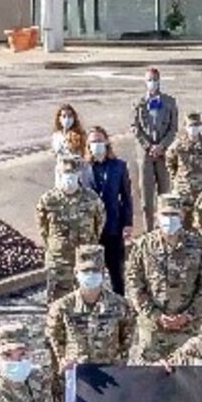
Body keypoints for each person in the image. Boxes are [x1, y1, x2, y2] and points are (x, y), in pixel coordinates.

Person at [125, 192, 202, 362]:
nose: (169, 218)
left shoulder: (198, 246)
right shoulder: (143, 245)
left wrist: (188, 315)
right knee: (150, 380)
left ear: (182, 215)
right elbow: (134, 284)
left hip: (187, 328)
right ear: (157, 215)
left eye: (174, 214)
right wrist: (156, 316)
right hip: (153, 329)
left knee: (187, 379)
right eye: (165, 214)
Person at [45, 245, 135, 387]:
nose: (91, 275)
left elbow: (127, 337)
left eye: (95, 270)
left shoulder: (121, 305)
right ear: (76, 273)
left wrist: (120, 362)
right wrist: (63, 361)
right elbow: (55, 339)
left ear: (103, 272)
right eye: (85, 271)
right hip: (77, 377)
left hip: (110, 374)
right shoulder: (62, 307)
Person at [36, 154, 107, 305]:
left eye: (72, 173)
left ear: (78, 174)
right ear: (59, 175)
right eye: (65, 173)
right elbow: (43, 228)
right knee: (57, 303)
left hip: (86, 260)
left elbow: (99, 223)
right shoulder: (48, 200)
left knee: (88, 301)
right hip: (59, 261)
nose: (69, 177)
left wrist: (90, 242)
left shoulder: (91, 198)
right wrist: (54, 246)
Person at [82, 125, 134, 293]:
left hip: (113, 226)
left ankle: (119, 304)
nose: (96, 144)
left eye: (99, 140)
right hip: (90, 229)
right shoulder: (82, 169)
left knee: (116, 271)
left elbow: (126, 197)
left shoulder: (119, 166)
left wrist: (127, 223)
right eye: (92, 142)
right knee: (92, 272)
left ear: (106, 142)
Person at [130, 67, 179, 230]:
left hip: (164, 153)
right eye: (149, 80)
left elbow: (173, 128)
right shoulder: (139, 103)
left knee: (165, 192)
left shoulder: (169, 102)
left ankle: (164, 227)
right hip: (145, 155)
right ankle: (148, 229)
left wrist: (162, 146)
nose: (152, 83)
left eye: (155, 80)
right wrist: (148, 146)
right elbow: (135, 128)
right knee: (146, 196)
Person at [166, 110, 202, 210]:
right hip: (184, 192)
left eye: (197, 125)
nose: (194, 128)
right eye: (191, 125)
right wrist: (178, 180)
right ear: (185, 127)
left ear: (201, 126)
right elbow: (170, 163)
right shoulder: (178, 146)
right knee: (185, 222)